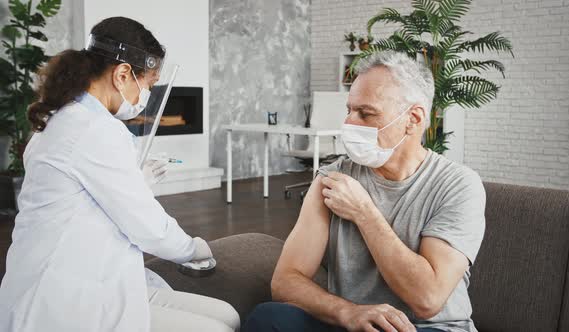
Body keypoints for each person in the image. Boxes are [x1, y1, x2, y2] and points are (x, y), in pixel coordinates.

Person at [0, 17, 239, 332]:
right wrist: (193, 248)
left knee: (229, 316)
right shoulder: (95, 130)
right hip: (62, 302)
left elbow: (88, 201)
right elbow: (147, 226)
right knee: (220, 328)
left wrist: (136, 182)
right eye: (149, 85)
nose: (147, 96)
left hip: (79, 277)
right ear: (123, 74)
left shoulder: (67, 118)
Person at [243, 51, 486, 332]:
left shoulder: (458, 185)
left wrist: (364, 212)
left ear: (413, 119)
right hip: (354, 324)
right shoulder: (331, 179)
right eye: (349, 110)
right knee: (269, 318)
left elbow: (427, 299)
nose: (349, 123)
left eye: (366, 113)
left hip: (427, 328)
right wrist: (347, 312)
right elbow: (285, 281)